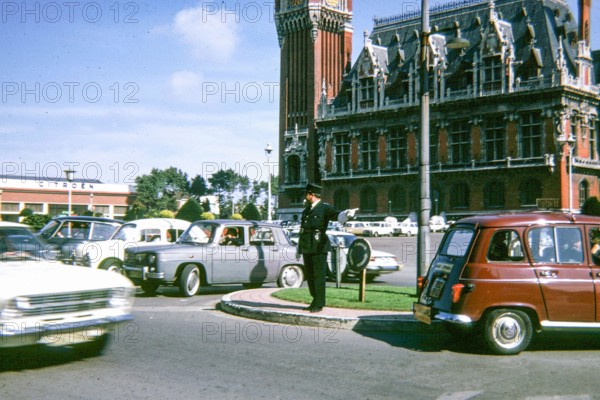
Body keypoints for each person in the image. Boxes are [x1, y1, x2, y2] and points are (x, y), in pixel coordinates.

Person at [297, 183, 355, 313]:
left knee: (318, 276)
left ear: (312, 194)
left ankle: (319, 303)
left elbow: (337, 215)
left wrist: (347, 214)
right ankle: (314, 299)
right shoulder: (306, 211)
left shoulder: (324, 208)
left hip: (319, 246)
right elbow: (303, 231)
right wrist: (299, 248)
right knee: (310, 276)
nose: (305, 197)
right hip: (307, 247)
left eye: (306, 194)